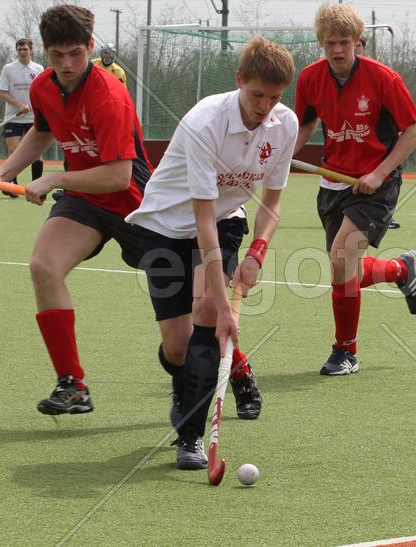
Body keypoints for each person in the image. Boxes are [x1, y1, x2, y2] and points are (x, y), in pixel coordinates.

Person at [0, 5, 153, 416]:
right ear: (45, 51)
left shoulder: (109, 95)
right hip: (84, 200)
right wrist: (3, 172)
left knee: (190, 307)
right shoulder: (43, 87)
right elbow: (42, 131)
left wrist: (53, 178)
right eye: (57, 55)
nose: (67, 64)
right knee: (44, 267)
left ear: (91, 46)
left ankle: (238, 369)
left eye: (75, 53)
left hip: (137, 205)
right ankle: (73, 385)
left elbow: (118, 176)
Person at [126, 35, 297, 469]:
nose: (264, 107)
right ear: (239, 80)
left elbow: (271, 205)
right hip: (166, 223)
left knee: (203, 309)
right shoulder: (205, 124)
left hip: (225, 217)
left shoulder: (286, 125)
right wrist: (225, 308)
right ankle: (189, 383)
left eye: (274, 98)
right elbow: (199, 221)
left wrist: (257, 253)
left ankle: (189, 437)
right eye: (257, 95)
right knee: (178, 347)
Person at [294, 2, 416, 376]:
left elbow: (413, 132)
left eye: (344, 42)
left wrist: (380, 174)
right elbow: (304, 125)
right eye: (330, 43)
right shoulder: (310, 79)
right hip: (332, 182)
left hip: (375, 184)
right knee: (343, 268)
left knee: (341, 258)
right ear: (321, 42)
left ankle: (345, 352)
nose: (337, 50)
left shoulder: (384, 79)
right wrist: (282, 154)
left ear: (358, 41)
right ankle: (401, 270)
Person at [354, 35, 401, 230]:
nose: (353, 50)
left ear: (363, 48)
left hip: (381, 149)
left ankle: (384, 214)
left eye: (357, 46)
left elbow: (408, 126)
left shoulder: (380, 76)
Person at [0, 38, 45, 197]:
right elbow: (2, 92)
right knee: (13, 150)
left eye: (25, 49)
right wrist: (19, 106)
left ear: (31, 50)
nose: (22, 52)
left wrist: (37, 105)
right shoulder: (9, 68)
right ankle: (11, 184)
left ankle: (37, 187)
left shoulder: (38, 68)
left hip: (33, 117)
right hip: (13, 117)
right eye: (20, 49)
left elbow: (43, 91)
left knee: (36, 153)